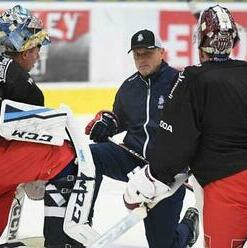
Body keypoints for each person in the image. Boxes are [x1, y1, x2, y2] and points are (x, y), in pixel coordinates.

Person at [0, 5, 93, 248]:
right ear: (26, 50)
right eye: (37, 48)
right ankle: (60, 241)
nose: (38, 55)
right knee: (66, 157)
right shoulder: (16, 75)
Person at [123, 5, 247, 248]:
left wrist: (152, 177)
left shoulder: (192, 79)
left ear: (200, 43)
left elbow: (175, 144)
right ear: (233, 40)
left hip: (226, 190)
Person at [85, 29, 199, 248]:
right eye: (137, 54)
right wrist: (108, 124)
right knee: (89, 157)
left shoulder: (181, 83)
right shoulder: (128, 87)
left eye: (147, 53)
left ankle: (188, 228)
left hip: (165, 173)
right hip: (131, 158)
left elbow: (198, 126)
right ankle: (82, 221)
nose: (142, 59)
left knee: (162, 245)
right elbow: (120, 119)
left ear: (161, 53)